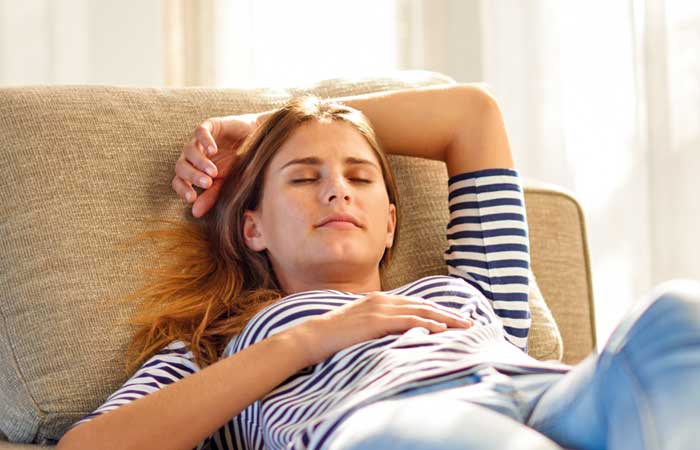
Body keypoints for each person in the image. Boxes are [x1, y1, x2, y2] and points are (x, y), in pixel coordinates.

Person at [56, 84, 700, 450]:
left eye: (359, 177)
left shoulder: (467, 291)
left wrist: (266, 128)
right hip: (388, 428)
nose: (336, 191)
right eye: (304, 178)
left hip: (544, 392)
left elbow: (470, 115)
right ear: (252, 226)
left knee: (677, 315)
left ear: (390, 221)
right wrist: (305, 341)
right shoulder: (219, 349)